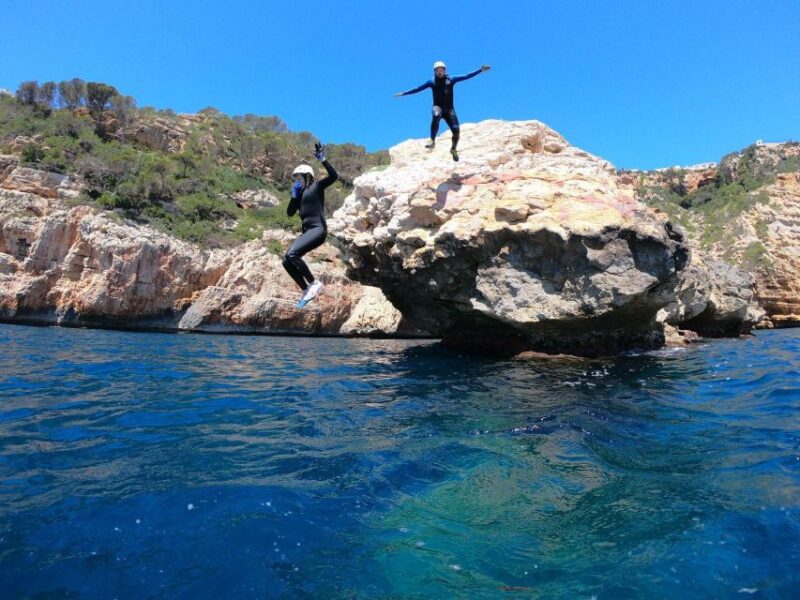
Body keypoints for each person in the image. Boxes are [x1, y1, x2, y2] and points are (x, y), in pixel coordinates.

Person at [394, 61, 491, 161]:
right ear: (435, 72)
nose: (439, 72)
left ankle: (453, 149)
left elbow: (466, 76)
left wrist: (480, 70)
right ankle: (432, 141)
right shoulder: (431, 81)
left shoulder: (451, 79)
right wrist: (404, 93)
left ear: (444, 71)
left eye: (441, 70)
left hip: (449, 110)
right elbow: (418, 88)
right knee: (436, 115)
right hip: (438, 107)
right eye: (437, 70)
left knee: (456, 132)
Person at [283, 143, 338, 308]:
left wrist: (322, 159)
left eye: (299, 177)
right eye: (295, 178)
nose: (296, 180)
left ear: (307, 176)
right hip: (308, 231)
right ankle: (306, 289)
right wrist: (294, 195)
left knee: (292, 253)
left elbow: (334, 176)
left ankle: (314, 283)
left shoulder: (316, 186)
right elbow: (289, 213)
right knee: (286, 261)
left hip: (318, 229)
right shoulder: (299, 195)